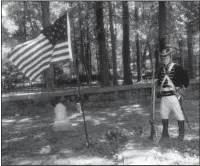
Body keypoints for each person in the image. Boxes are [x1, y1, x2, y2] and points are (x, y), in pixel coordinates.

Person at [156, 47, 189, 142]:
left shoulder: (177, 68)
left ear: (170, 57)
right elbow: (159, 82)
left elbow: (186, 80)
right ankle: (165, 134)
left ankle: (181, 134)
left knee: (179, 114)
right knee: (163, 114)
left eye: (166, 57)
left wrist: (181, 89)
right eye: (163, 58)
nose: (164, 59)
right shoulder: (160, 70)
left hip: (174, 96)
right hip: (164, 97)